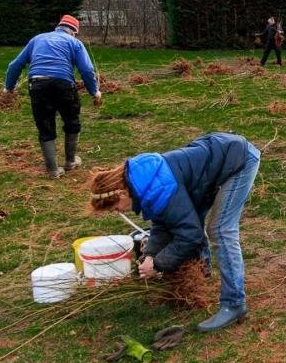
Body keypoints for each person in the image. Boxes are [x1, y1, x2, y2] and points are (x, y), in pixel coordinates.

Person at [88, 132, 261, 332]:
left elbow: (190, 234)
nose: (120, 212)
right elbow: (164, 223)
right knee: (192, 220)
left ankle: (234, 303)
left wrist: (159, 264)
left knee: (220, 229)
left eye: (116, 208)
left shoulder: (156, 186)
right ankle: (201, 277)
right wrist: (150, 254)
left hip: (238, 161)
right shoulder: (145, 184)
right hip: (216, 159)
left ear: (121, 193)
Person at [4, 15, 103, 178]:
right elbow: (86, 70)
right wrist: (95, 92)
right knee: (72, 120)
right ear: (73, 32)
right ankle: (70, 161)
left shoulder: (37, 39)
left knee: (45, 124)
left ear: (59, 27)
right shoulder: (74, 42)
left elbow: (15, 65)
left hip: (37, 84)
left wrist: (8, 89)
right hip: (63, 84)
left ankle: (53, 170)